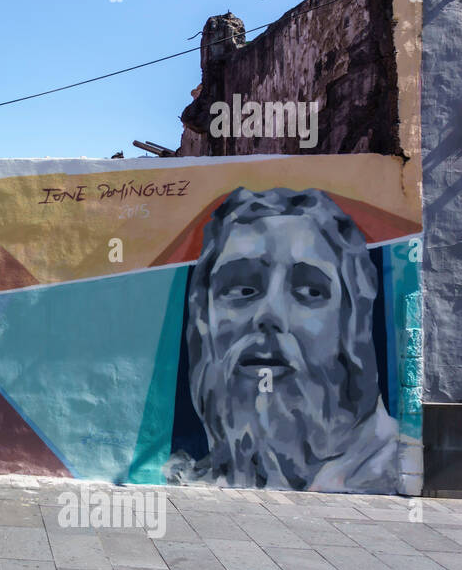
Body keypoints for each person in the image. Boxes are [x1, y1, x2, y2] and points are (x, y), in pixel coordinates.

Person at [168, 186, 399, 492]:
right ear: (203, 319)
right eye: (242, 288)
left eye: (310, 291)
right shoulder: (195, 472)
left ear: (352, 323)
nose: (269, 313)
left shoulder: (391, 467)